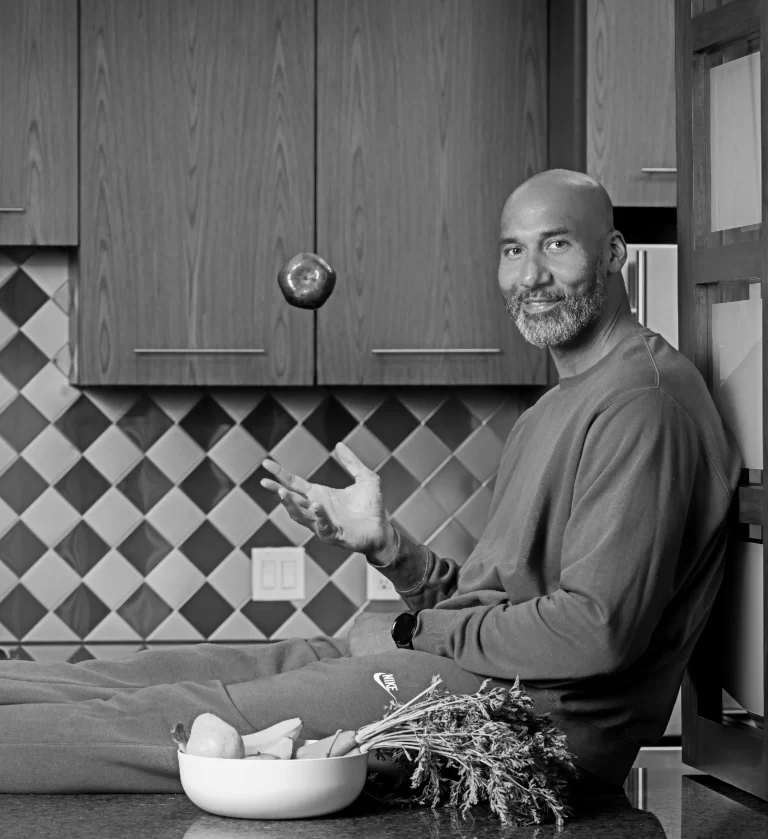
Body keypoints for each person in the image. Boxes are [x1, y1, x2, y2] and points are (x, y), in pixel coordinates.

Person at [0, 169, 741, 798]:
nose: (530, 275)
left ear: (613, 253)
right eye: (513, 250)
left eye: (557, 244)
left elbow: (593, 630)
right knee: (207, 668)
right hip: (472, 679)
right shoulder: (559, 403)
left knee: (189, 717)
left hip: (528, 729)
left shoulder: (644, 403)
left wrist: (417, 628)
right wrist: (393, 551)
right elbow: (503, 604)